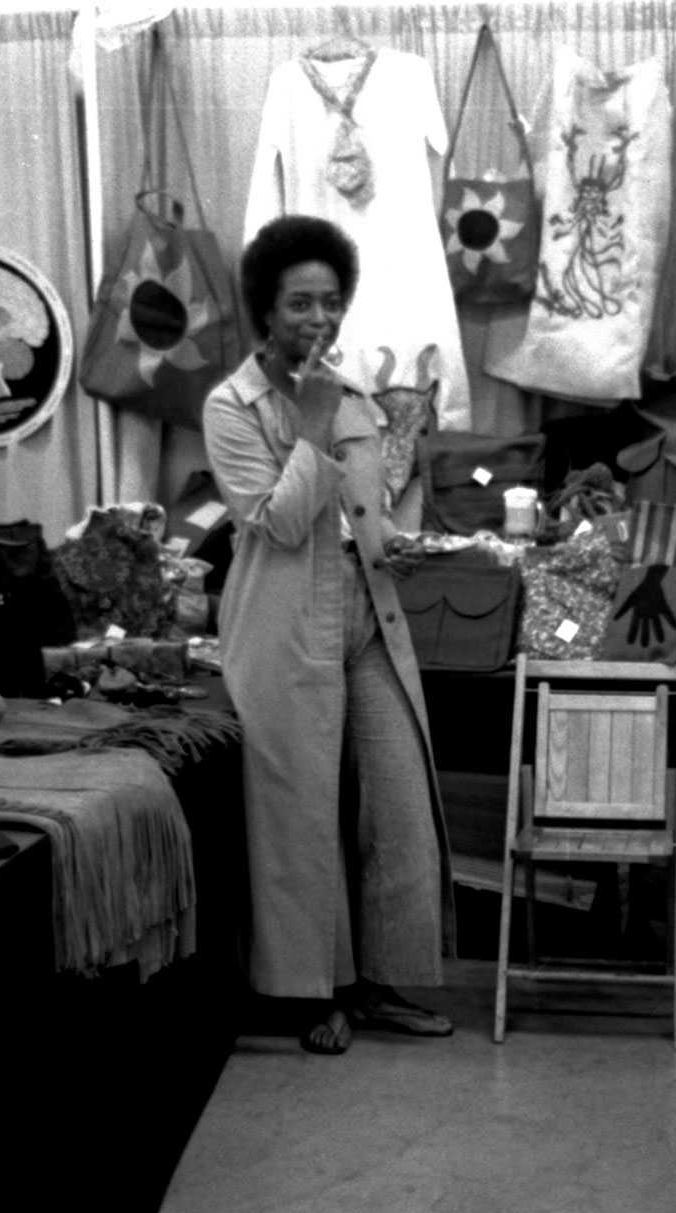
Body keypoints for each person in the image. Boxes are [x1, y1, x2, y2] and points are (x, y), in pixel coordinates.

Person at [202, 214, 454, 1055]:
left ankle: (382, 982)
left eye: (331, 301)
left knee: (397, 801)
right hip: (278, 623)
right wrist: (307, 424)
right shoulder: (230, 406)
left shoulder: (354, 398)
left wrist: (395, 545)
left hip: (369, 614)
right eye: (300, 303)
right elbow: (273, 524)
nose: (319, 318)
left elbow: (364, 512)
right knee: (300, 815)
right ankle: (314, 994)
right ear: (265, 311)